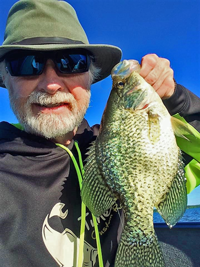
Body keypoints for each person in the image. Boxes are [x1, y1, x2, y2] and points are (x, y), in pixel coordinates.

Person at [0, 0, 199, 267]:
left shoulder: (106, 144)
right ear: (6, 79)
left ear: (90, 77)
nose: (50, 84)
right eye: (25, 64)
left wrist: (179, 99)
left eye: (70, 62)